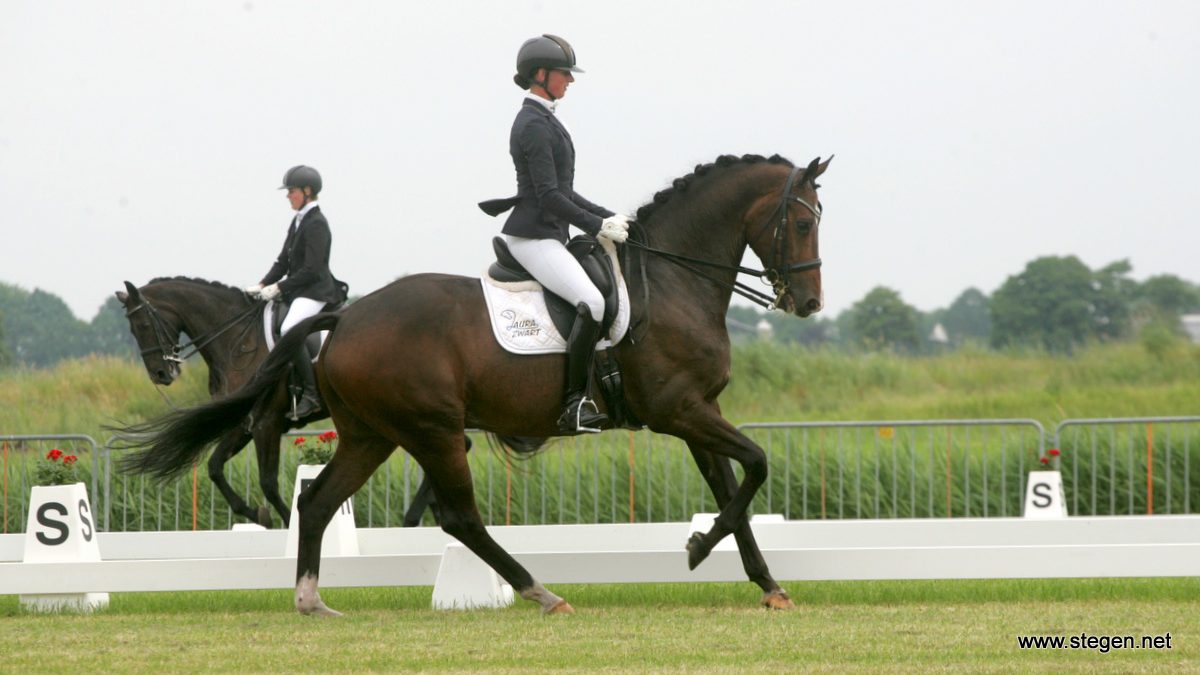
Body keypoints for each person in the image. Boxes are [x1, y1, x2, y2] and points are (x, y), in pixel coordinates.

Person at [480, 34, 632, 434]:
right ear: (541, 74)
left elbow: (565, 191)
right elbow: (548, 197)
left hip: (548, 233)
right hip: (533, 237)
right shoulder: (531, 123)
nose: (571, 81)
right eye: (565, 73)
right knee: (592, 303)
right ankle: (574, 403)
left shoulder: (547, 119)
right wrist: (596, 226)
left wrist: (612, 217)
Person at [245, 165, 347, 420]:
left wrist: (279, 287)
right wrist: (261, 284)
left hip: (315, 292)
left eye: (291, 191)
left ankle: (311, 395)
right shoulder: (299, 220)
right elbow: (283, 262)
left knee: (290, 328)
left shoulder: (317, 224)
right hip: (298, 291)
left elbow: (312, 269)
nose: (288, 196)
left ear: (307, 191)